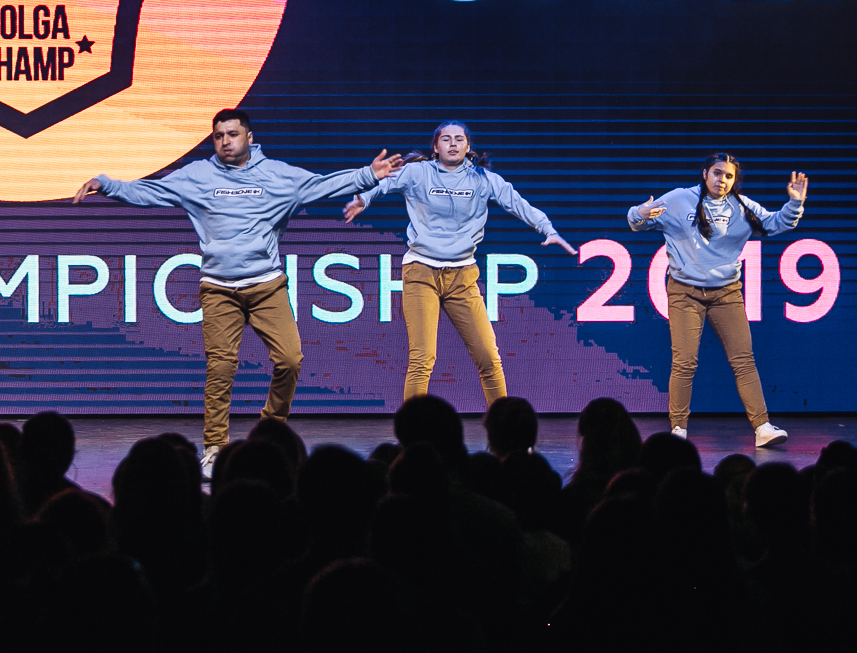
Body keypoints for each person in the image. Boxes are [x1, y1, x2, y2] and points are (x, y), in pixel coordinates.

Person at [73, 108, 401, 477]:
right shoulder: (198, 176)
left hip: (266, 286)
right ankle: (215, 447)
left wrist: (368, 174)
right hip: (218, 289)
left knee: (290, 360)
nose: (225, 141)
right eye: (219, 136)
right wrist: (107, 184)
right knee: (221, 368)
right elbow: (151, 191)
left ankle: (271, 431)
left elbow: (322, 186)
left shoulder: (277, 175)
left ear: (249, 137)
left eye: (232, 134)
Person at [343, 120, 575, 406]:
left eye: (459, 139)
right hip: (421, 273)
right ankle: (413, 429)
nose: (452, 144)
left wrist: (548, 229)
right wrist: (363, 200)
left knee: (488, 357)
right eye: (446, 139)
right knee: (422, 358)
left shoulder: (483, 179)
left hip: (462, 277)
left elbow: (517, 203)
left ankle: (504, 425)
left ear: (468, 147)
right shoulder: (418, 173)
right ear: (436, 147)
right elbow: (384, 184)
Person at [628, 152, 805, 447]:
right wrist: (640, 212)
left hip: (726, 294)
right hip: (685, 292)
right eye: (717, 173)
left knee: (743, 360)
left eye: (728, 176)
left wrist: (795, 203)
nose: (722, 180)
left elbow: (776, 224)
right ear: (705, 174)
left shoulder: (742, 207)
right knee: (685, 362)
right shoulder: (679, 199)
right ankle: (678, 429)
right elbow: (636, 221)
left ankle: (762, 427)